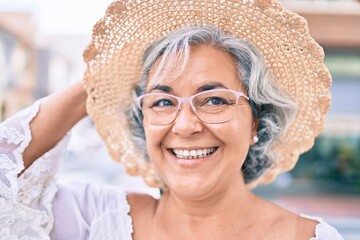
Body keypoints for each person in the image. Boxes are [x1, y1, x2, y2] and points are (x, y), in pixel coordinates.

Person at [0, 0, 344, 239]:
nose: (184, 125)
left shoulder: (310, 237)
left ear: (257, 121)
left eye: (213, 100)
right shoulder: (93, 218)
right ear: (143, 121)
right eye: (163, 101)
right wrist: (100, 80)